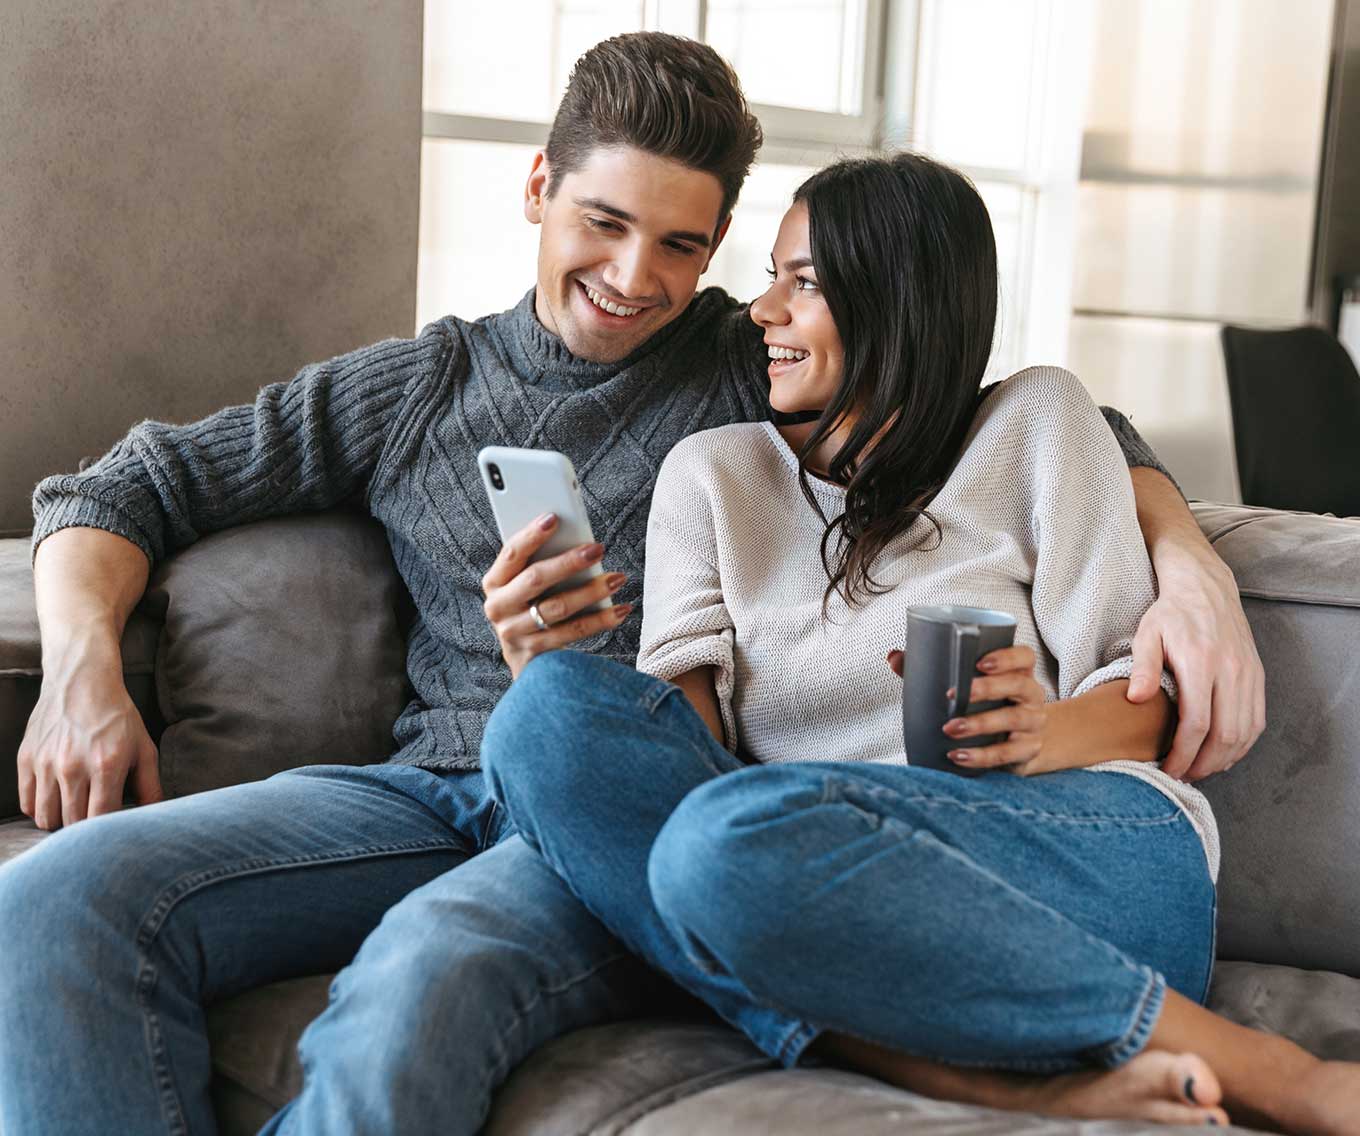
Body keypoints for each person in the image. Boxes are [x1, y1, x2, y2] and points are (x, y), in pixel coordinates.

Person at [0, 33, 1262, 1136]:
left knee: (422, 979)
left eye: (682, 243)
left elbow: (988, 404)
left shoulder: (749, 360)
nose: (636, 275)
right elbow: (118, 487)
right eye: (603, 223)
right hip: (433, 789)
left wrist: (1191, 562)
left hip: (645, 803)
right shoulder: (414, 387)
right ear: (539, 185)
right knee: (56, 901)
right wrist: (81, 675)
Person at [481, 153, 1358, 1132]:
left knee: (717, 840)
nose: (762, 310)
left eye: (802, 282)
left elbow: (1147, 704)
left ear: (898, 300)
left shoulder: (1035, 422)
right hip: (827, 881)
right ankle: (991, 1082)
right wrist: (556, 664)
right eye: (772, 276)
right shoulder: (712, 478)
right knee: (547, 723)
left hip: (1080, 850)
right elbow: (687, 766)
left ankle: (1272, 1068)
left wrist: (1036, 732)